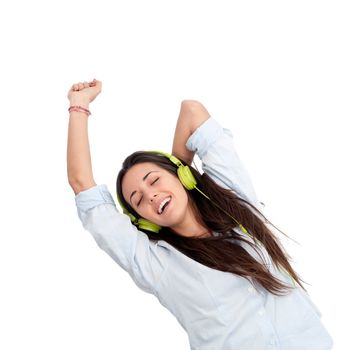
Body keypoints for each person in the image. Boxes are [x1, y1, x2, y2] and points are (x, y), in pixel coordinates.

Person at [67, 79, 334, 349]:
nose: (151, 195)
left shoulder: (235, 202)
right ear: (143, 219)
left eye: (154, 180)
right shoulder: (155, 264)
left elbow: (192, 111)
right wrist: (79, 106)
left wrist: (181, 175)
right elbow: (82, 185)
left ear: (181, 174)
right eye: (138, 199)